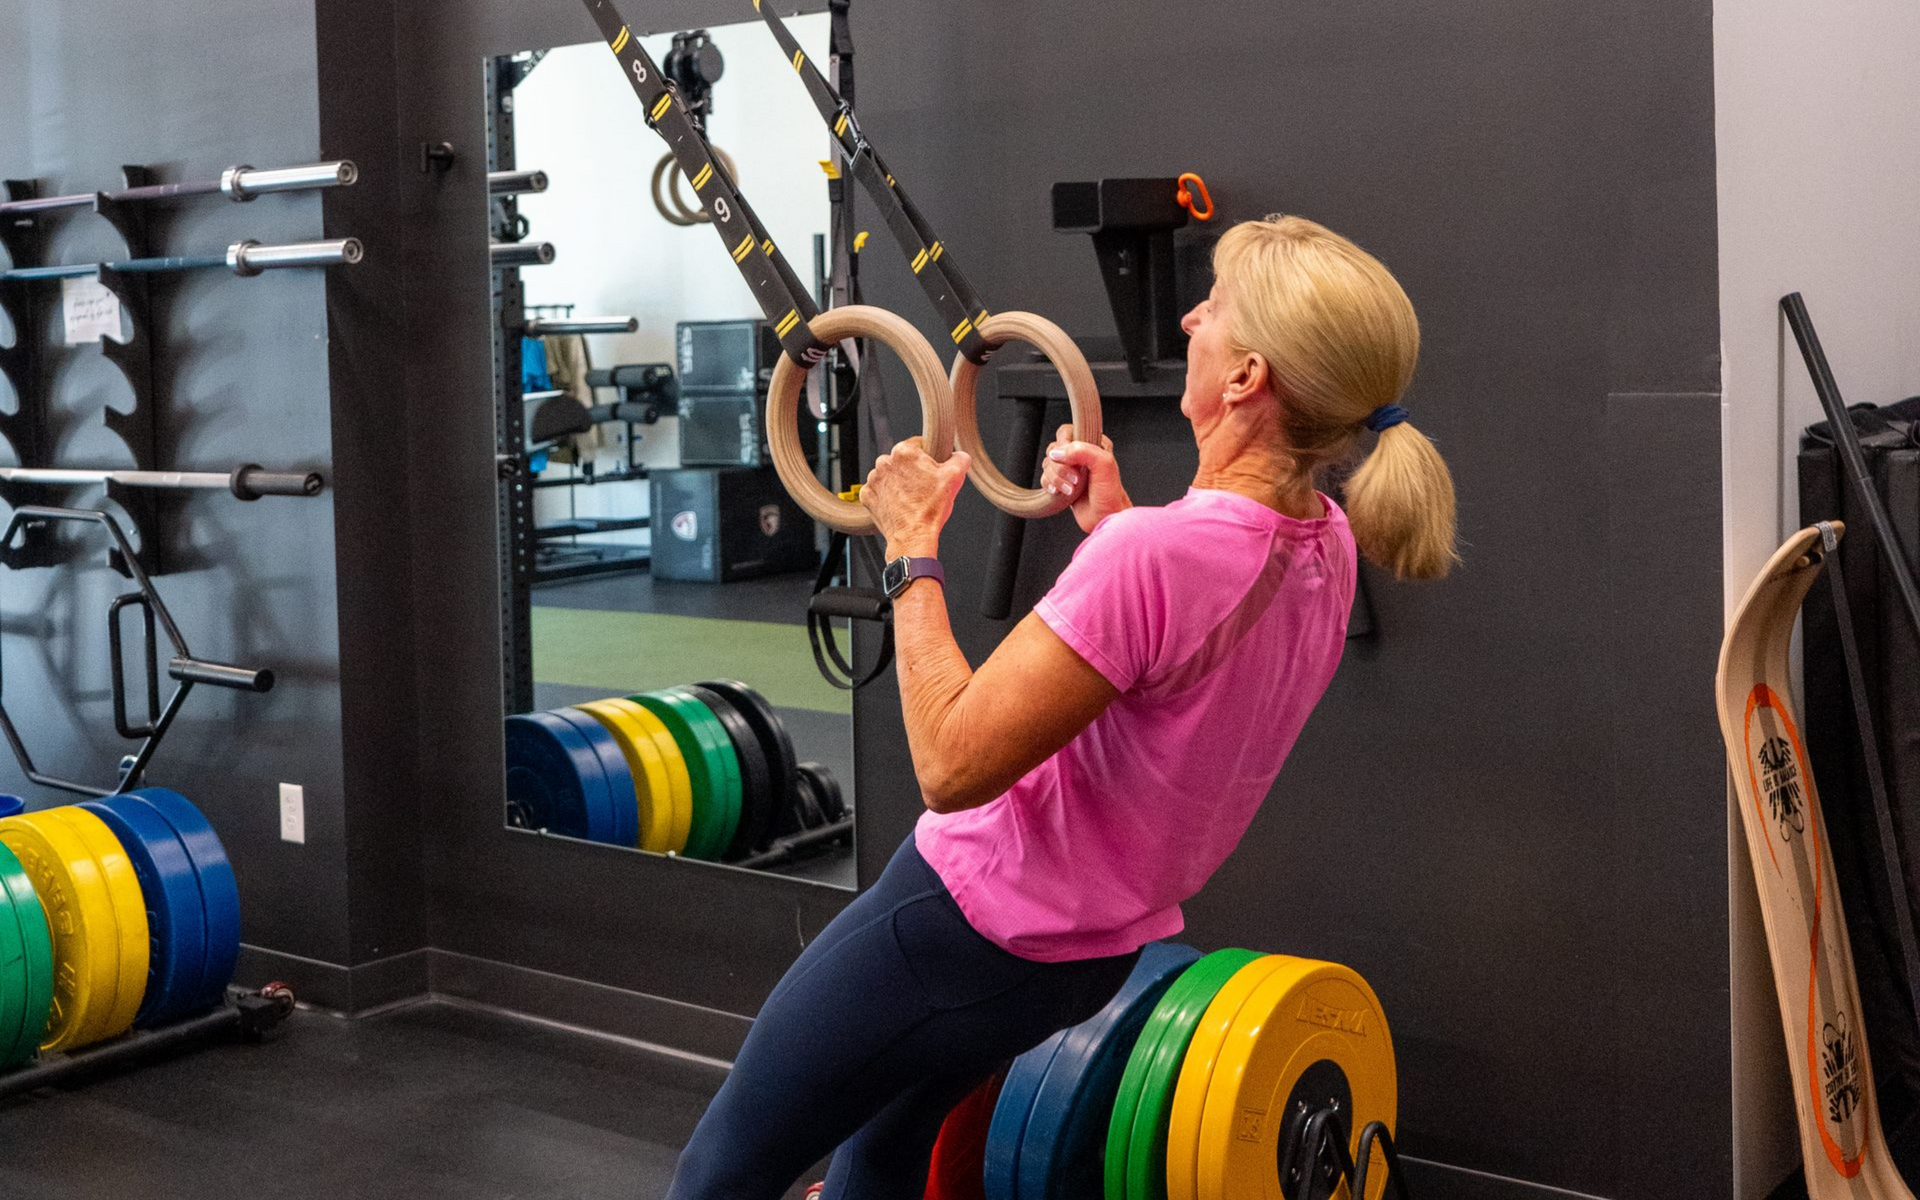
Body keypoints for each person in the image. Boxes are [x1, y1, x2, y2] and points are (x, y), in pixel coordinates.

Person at [662, 214, 1458, 1200]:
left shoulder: (1156, 558)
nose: (1196, 314)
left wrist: (909, 548)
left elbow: (952, 766)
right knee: (881, 1153)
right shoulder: (1325, 543)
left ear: (1248, 377)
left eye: (1214, 307)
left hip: (956, 926)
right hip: (1087, 958)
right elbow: (1185, 678)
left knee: (723, 1167)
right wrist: (1115, 523)